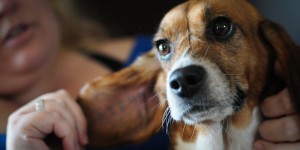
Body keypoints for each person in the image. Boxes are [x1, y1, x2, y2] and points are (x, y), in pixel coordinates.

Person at [1, 0, 299, 150]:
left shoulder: (156, 71)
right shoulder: (155, 77)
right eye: (165, 47)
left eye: (221, 29)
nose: (180, 78)